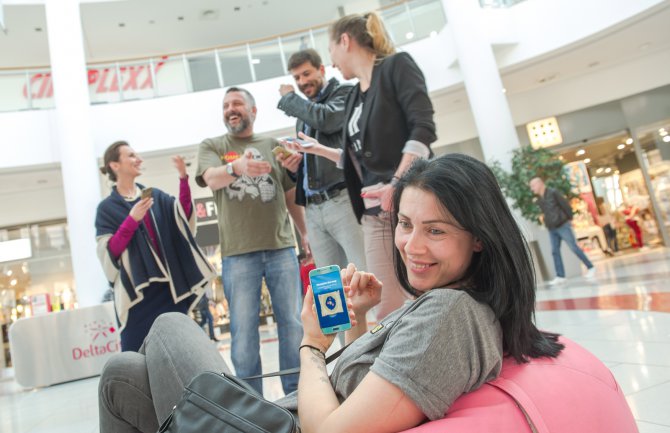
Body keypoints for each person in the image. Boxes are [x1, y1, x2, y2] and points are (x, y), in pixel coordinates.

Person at [98, 153, 568, 433]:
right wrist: (357, 322)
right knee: (121, 373)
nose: (412, 246)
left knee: (169, 325)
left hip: (279, 427)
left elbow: (330, 430)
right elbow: (366, 393)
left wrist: (312, 345)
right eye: (405, 224)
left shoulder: (451, 315)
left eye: (436, 230)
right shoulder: (452, 304)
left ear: (480, 236)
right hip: (277, 416)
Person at [284, 12, 436, 321]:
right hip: (368, 209)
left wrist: (397, 184)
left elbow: (423, 128)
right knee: (380, 304)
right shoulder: (355, 94)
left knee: (417, 292)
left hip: (404, 202)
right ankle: (367, 349)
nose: (333, 62)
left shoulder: (395, 67)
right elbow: (356, 158)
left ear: (345, 41)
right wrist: (316, 150)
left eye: (331, 52)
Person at [195, 87, 306, 395]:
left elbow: (289, 195)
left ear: (253, 111)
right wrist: (236, 167)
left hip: (281, 248)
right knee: (243, 333)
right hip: (237, 254)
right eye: (226, 105)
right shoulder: (213, 146)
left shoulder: (273, 146)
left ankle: (296, 394)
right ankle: (250, 402)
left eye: (237, 104)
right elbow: (210, 178)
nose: (231, 109)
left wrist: (305, 232)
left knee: (293, 324)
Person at [95, 141, 216, 352]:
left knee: (180, 353)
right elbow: (110, 252)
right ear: (115, 165)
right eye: (131, 156)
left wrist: (183, 179)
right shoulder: (107, 208)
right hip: (137, 296)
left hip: (170, 292)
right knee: (135, 358)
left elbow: (182, 219)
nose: (138, 159)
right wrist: (132, 220)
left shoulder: (154, 197)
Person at [276, 48, 366, 271]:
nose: (302, 81)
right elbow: (311, 162)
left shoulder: (344, 92)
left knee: (363, 274)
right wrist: (294, 168)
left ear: (322, 69)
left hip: (343, 200)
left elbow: (327, 120)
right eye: (297, 77)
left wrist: (289, 98)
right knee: (328, 285)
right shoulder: (304, 114)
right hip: (313, 210)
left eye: (306, 73)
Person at [529, 177, 596, 285]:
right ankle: (560, 276)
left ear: (540, 183)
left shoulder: (553, 193)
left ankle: (590, 267)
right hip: (552, 228)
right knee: (555, 251)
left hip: (563, 225)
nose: (532, 189)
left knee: (573, 247)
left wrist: (569, 219)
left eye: (533, 186)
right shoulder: (540, 199)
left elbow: (565, 205)